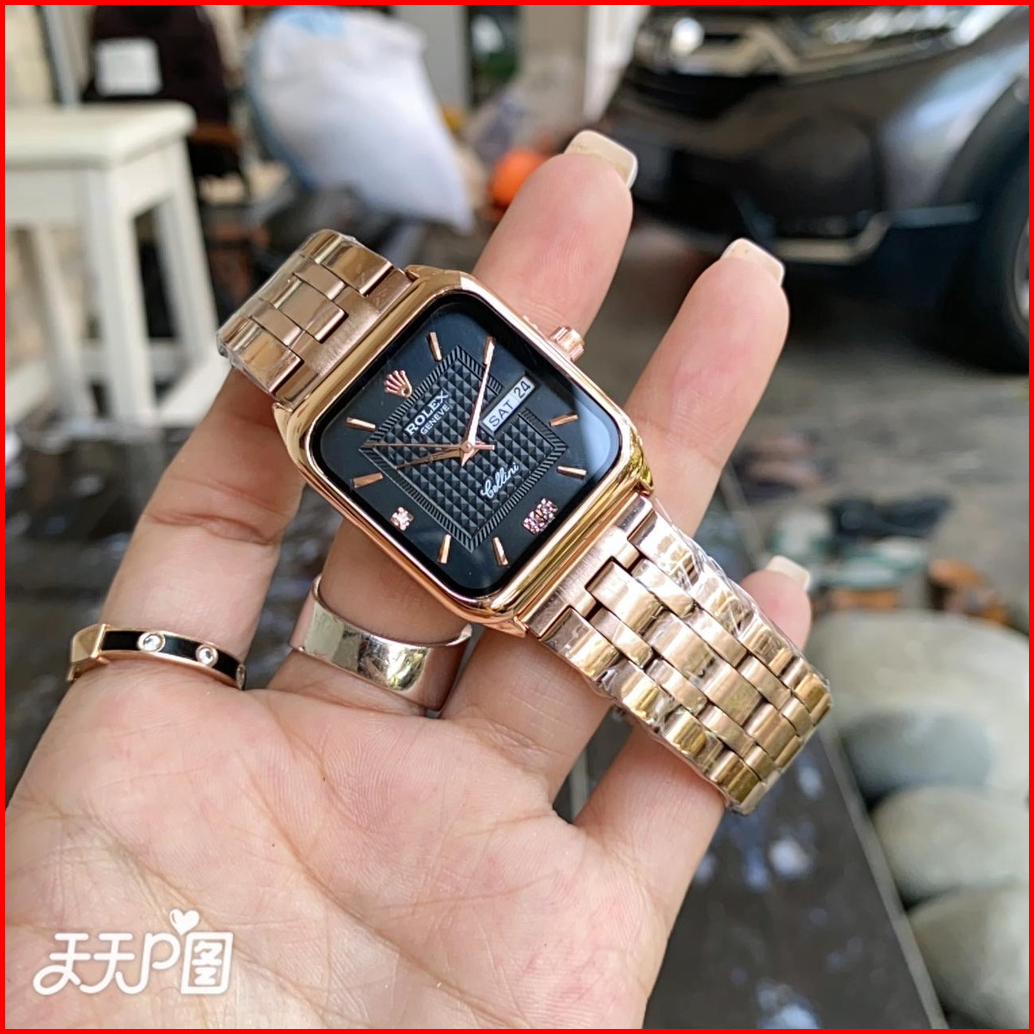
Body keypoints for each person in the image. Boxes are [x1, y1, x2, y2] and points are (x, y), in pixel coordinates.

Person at [5, 134, 810, 1027]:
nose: (469, 449)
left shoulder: (459, 335)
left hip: (599, 495)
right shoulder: (338, 441)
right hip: (519, 570)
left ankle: (754, 714)